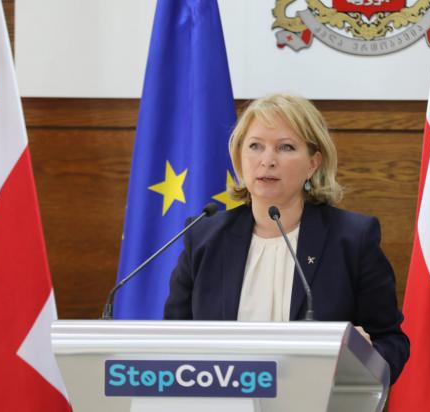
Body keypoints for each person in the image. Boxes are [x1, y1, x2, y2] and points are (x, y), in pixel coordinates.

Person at [163, 94, 409, 384]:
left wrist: (364, 357)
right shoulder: (205, 238)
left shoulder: (352, 239)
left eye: (285, 147)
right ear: (239, 157)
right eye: (255, 146)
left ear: (313, 163)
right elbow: (173, 339)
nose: (267, 160)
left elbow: (390, 341)